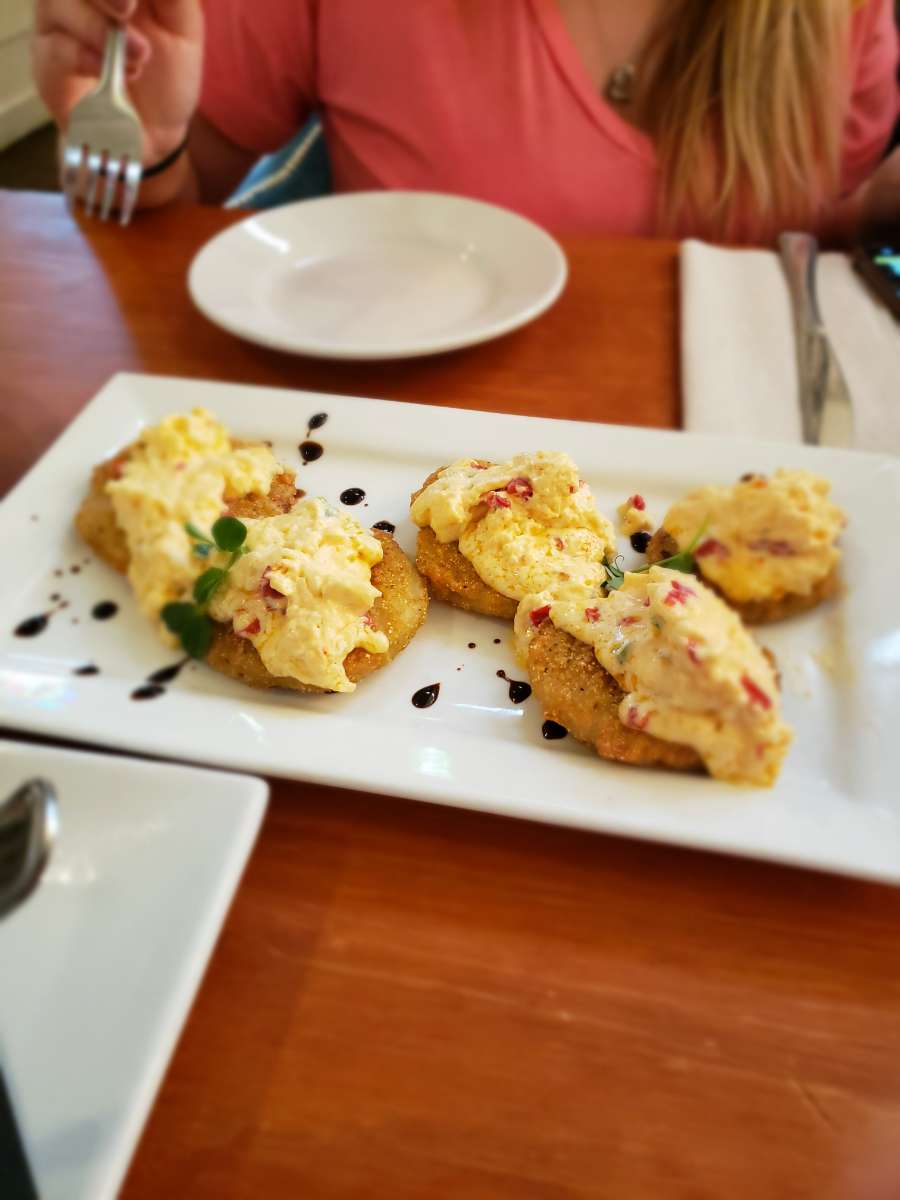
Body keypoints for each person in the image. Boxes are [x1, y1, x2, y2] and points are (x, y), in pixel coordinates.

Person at [32, 0, 899, 244]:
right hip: (386, 473)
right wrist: (144, 151)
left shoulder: (842, 16)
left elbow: (820, 238)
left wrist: (875, 211)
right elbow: (161, 223)